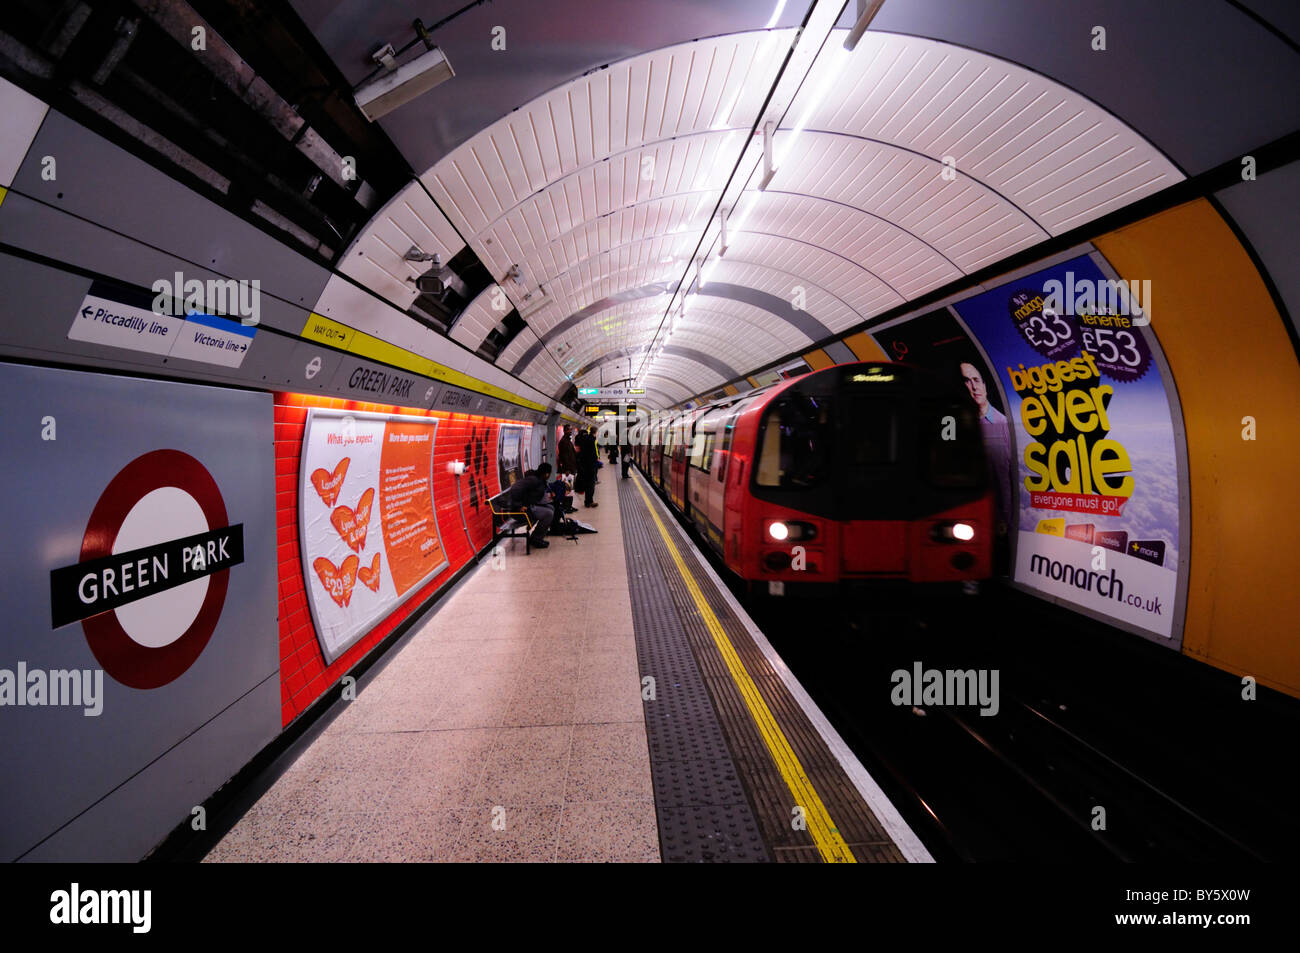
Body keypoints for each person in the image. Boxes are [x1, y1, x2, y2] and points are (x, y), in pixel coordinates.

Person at [960, 361, 1015, 541]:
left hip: (999, 526)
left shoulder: (1004, 424)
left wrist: (1007, 521)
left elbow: (1010, 480)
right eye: (967, 381)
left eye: (976, 380)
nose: (974, 386)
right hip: (964, 521)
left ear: (984, 385)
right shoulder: (951, 423)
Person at [504, 463, 555, 549]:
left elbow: (534, 496)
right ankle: (535, 539)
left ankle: (538, 536)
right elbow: (515, 488)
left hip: (528, 507)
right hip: (520, 511)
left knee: (551, 508)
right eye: (549, 473)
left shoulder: (539, 479)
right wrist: (519, 506)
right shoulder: (533, 480)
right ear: (546, 474)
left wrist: (550, 496)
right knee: (548, 513)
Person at [574, 425, 598, 508]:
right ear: (595, 432)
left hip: (586, 465)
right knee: (590, 484)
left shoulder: (586, 440)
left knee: (589, 484)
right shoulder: (591, 440)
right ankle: (589, 501)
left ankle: (588, 501)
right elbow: (592, 454)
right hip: (590, 466)